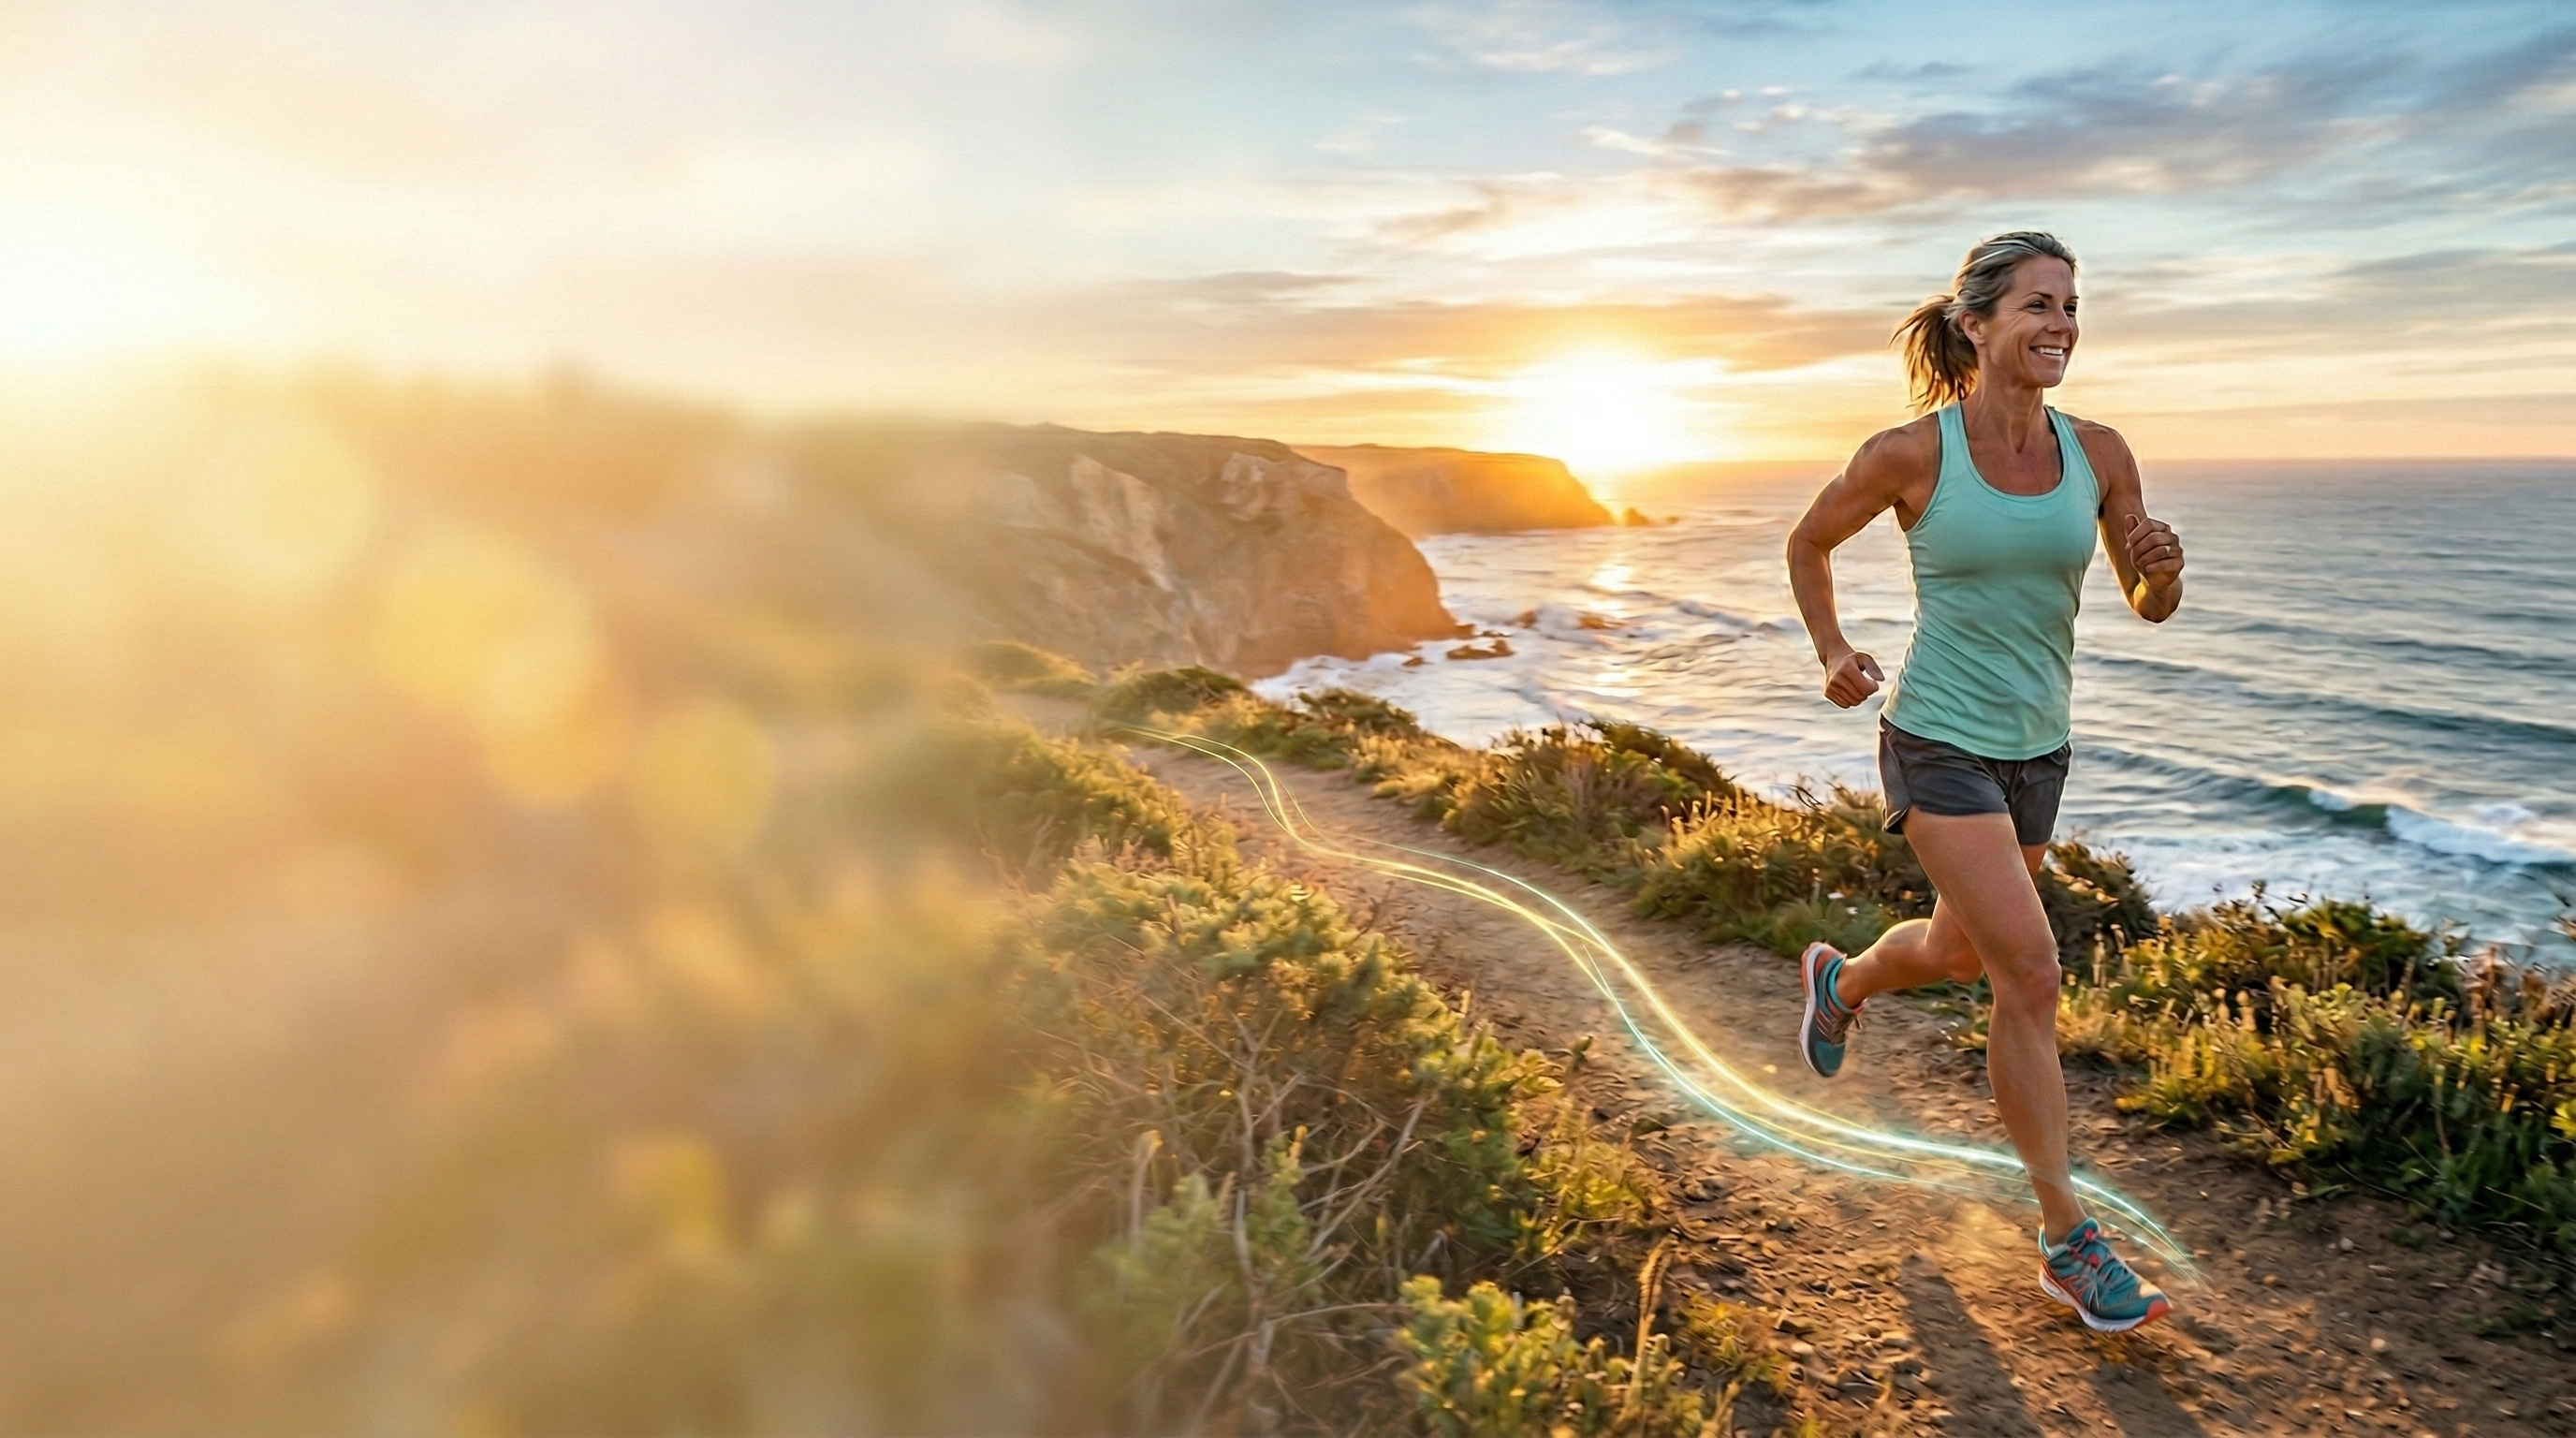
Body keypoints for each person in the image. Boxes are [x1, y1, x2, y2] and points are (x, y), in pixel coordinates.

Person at [1783, 231, 2187, 1333]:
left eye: (2070, 307)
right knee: (2031, 972)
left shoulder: (2099, 453)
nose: (2059, 324)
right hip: (1938, 739)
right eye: (2037, 306)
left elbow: (2146, 605)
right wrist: (1832, 652)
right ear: (1976, 324)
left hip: (2036, 747)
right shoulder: (1909, 454)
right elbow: (1808, 544)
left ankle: (1842, 984)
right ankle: (2067, 1238)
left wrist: (2163, 576)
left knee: (1961, 950)